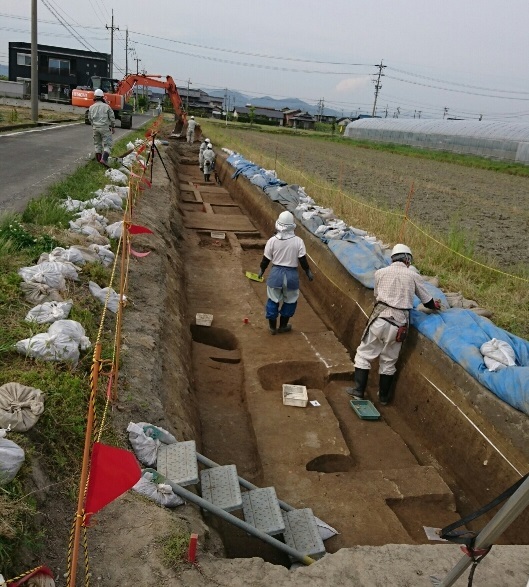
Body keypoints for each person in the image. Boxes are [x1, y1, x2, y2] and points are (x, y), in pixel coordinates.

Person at [348, 244, 441, 405]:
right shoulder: (413, 276)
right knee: (389, 361)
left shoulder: (380, 273)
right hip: (399, 325)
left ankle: (358, 391)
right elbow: (428, 302)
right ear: (408, 260)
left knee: (364, 354)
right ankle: (383, 398)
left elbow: (377, 295)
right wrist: (436, 306)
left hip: (380, 319)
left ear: (392, 259)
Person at [258, 211, 314, 335]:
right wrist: (308, 271)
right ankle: (283, 326)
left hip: (276, 274)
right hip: (291, 276)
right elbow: (302, 259)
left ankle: (272, 327)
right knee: (290, 300)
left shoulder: (272, 241)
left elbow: (266, 259)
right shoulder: (298, 241)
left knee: (273, 299)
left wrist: (261, 270)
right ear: (292, 226)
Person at [88, 88, 115, 166]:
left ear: (95, 97)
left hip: (95, 128)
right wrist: (113, 127)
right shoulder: (107, 107)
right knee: (107, 144)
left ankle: (99, 161)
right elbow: (112, 117)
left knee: (97, 144)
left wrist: (94, 125)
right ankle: (104, 159)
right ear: (102, 97)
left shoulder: (91, 107)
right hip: (104, 128)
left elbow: (89, 118)